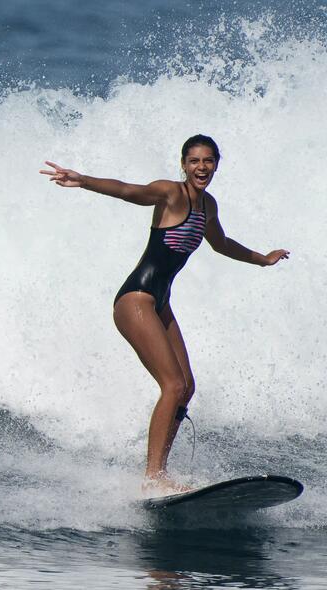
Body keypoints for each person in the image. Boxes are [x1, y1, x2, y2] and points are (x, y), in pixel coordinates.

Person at [41, 135, 289, 492]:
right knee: (171, 385)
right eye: (194, 161)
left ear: (217, 164)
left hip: (160, 302)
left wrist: (262, 258)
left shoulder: (208, 206)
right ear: (183, 165)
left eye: (208, 161)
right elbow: (130, 191)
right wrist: (83, 181)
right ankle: (153, 478)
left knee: (186, 386)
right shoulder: (171, 193)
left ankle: (161, 473)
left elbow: (221, 244)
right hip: (136, 299)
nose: (201, 167)